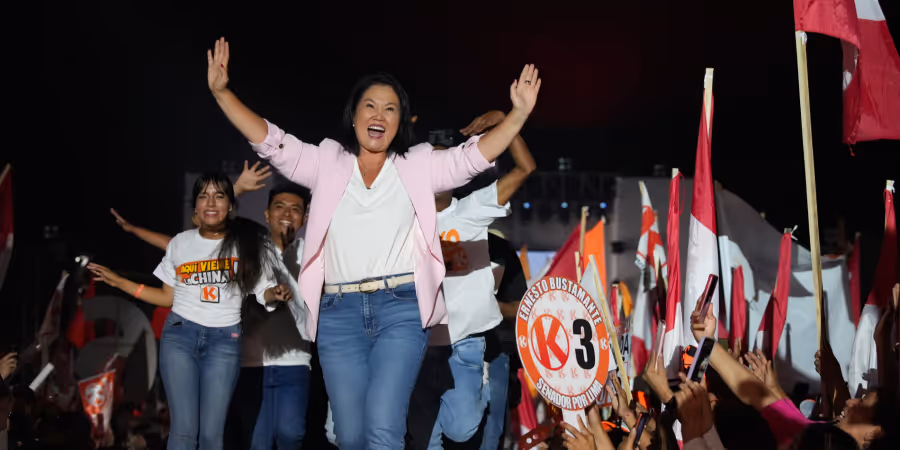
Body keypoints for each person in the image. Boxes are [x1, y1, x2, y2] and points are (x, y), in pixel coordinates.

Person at [206, 37, 542, 449]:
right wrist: (222, 93)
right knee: (349, 436)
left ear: (400, 123)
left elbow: (469, 158)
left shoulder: (418, 165)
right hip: (338, 314)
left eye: (390, 108)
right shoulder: (325, 161)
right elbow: (272, 142)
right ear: (353, 116)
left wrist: (517, 115)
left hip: (400, 311)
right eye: (370, 106)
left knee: (384, 429)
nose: (379, 115)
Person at [89, 173, 290, 450]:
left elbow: (263, 290)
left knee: (211, 435)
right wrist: (120, 282)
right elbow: (165, 297)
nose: (211, 203)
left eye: (219, 196)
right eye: (203, 196)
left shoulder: (246, 244)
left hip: (225, 340)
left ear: (231, 205)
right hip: (180, 336)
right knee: (183, 431)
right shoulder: (180, 244)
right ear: (194, 207)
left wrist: (274, 294)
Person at [414, 109, 535, 449]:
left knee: (462, 430)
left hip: (464, 342)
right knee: (424, 438)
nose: (437, 172)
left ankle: (480, 383)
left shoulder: (471, 210)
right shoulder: (403, 216)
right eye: (429, 165)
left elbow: (525, 169)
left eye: (445, 164)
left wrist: (505, 122)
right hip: (416, 343)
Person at [227, 183, 314, 450]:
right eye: (279, 207)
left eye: (295, 209)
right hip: (252, 364)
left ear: (305, 218)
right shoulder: (248, 249)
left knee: (291, 435)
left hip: (296, 360)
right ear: (266, 214)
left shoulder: (313, 253)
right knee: (258, 442)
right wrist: (236, 190)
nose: (287, 214)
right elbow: (212, 225)